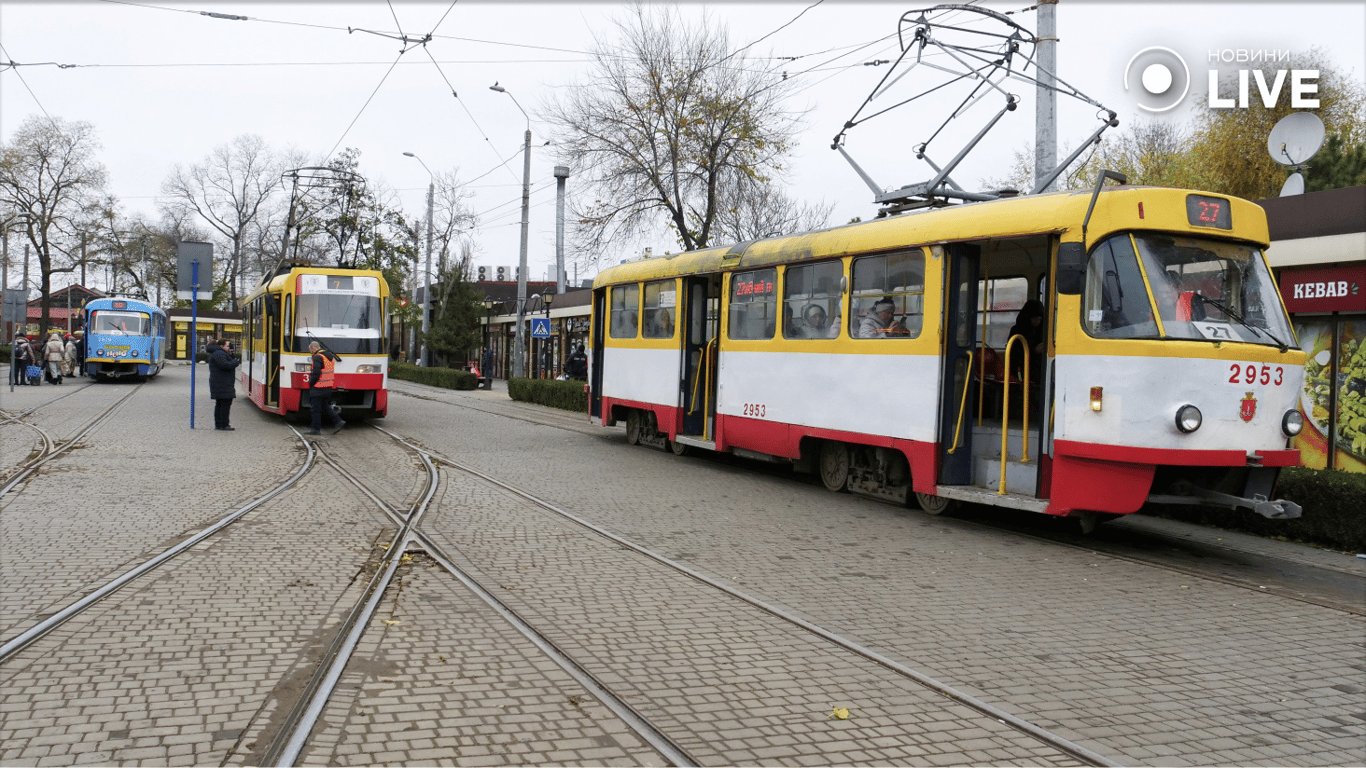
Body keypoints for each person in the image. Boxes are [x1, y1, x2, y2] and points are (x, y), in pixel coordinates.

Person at [305, 340, 344, 436]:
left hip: (318, 387)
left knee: (315, 409)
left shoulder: (318, 357)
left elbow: (316, 372)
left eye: (310, 350)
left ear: (313, 348)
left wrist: (311, 383)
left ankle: (315, 430)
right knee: (325, 407)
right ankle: (338, 421)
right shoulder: (329, 357)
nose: (311, 353)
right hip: (328, 387)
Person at [1007, 299, 1046, 386]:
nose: (1037, 322)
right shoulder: (1016, 331)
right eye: (1035, 319)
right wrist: (1034, 350)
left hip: (1038, 372)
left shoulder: (1041, 331)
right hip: (1020, 371)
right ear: (1028, 317)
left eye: (1040, 319)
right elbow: (1014, 353)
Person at [207, 337, 241, 431]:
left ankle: (219, 424)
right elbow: (225, 365)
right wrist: (235, 362)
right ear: (222, 346)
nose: (229, 347)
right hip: (223, 384)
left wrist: (231, 355)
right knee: (225, 405)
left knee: (220, 404)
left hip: (220, 383)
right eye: (227, 345)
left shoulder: (219, 353)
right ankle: (224, 424)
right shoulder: (219, 354)